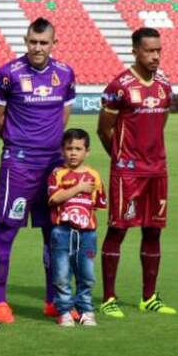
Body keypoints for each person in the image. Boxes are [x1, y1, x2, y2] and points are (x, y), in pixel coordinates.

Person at [0, 18, 76, 323]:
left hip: (53, 164)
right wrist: (18, 143)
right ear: (26, 41)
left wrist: (47, 143)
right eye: (33, 42)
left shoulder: (65, 73)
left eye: (44, 43)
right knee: (6, 232)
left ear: (54, 43)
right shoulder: (8, 74)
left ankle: (53, 300)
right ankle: (0, 301)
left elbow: (64, 113)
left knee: (53, 233)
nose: (38, 48)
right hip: (19, 164)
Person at [98, 27, 176, 318]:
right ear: (135, 51)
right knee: (118, 229)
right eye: (149, 51)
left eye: (158, 50)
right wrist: (121, 160)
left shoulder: (165, 85)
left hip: (157, 169)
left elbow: (162, 122)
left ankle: (149, 297)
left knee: (153, 230)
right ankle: (108, 297)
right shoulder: (119, 86)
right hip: (127, 173)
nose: (155, 56)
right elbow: (104, 130)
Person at [48, 129, 106, 327]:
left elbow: (98, 203)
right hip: (62, 232)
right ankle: (64, 310)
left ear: (87, 152)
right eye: (69, 148)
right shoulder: (58, 173)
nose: (73, 153)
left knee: (87, 274)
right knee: (62, 273)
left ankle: (86, 309)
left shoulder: (94, 175)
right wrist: (78, 188)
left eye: (78, 149)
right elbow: (54, 198)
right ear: (62, 151)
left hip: (87, 233)